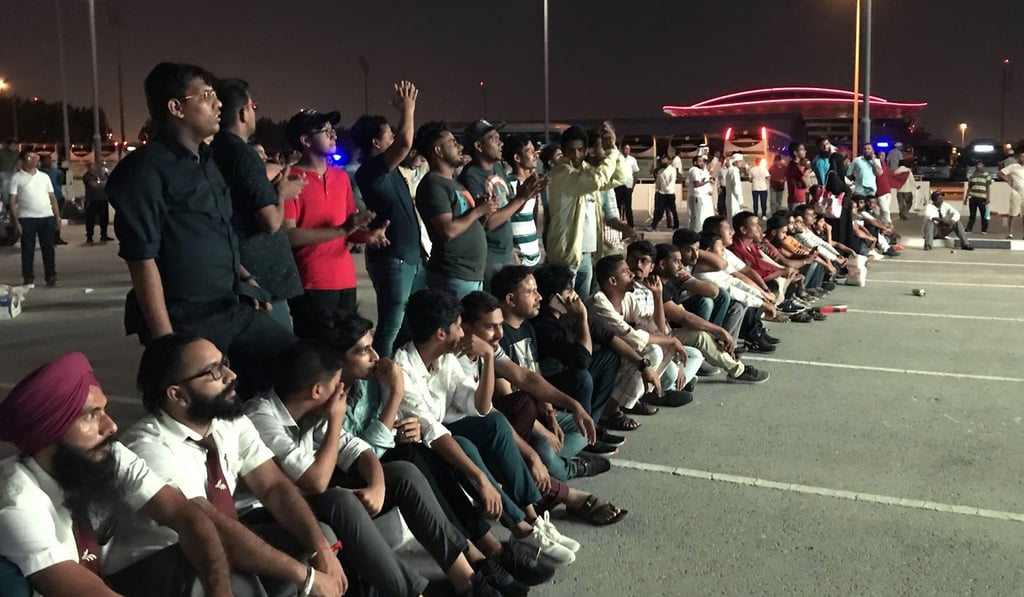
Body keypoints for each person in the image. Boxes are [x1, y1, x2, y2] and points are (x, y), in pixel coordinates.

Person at [315, 311, 559, 589]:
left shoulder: (370, 381)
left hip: (383, 458)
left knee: (432, 446)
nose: (374, 355)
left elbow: (414, 423)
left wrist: (407, 428)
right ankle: (480, 554)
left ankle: (485, 550)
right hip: (348, 480)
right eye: (363, 350)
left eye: (372, 346)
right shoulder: (330, 399)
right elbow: (357, 453)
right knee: (416, 455)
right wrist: (395, 394)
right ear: (337, 360)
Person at [244, 340, 505, 597]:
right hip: (261, 512)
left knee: (403, 473)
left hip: (299, 498)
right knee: (339, 499)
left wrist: (377, 486)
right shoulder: (262, 418)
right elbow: (315, 482)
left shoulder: (311, 410)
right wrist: (336, 419)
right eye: (336, 385)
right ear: (316, 391)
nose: (341, 391)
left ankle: (466, 581)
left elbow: (358, 449)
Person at [106, 62, 295, 397]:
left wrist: (247, 281)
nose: (218, 103)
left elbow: (216, 233)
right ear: (176, 107)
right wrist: (167, 344)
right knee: (205, 407)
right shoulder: (144, 172)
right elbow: (141, 260)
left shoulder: (207, 161)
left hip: (230, 305)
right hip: (186, 319)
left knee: (300, 365)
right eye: (207, 96)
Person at [110, 333, 349, 597]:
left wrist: (321, 550)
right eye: (213, 372)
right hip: (159, 562)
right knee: (241, 580)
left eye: (224, 362)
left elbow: (273, 487)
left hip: (214, 541)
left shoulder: (227, 421)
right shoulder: (149, 448)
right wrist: (306, 578)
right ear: (178, 395)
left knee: (318, 539)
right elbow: (208, 528)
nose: (231, 374)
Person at [0, 353, 237, 597]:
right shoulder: (16, 505)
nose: (111, 426)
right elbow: (82, 590)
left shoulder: (103, 452)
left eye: (104, 410)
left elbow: (186, 515)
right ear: (48, 435)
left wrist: (220, 591)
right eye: (91, 416)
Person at [393, 289, 579, 565]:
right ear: (441, 333)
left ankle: (531, 519)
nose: (463, 331)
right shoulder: (403, 368)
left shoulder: (444, 358)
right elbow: (432, 432)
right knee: (467, 446)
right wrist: (480, 479)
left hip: (444, 430)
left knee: (494, 422)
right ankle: (520, 528)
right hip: (421, 445)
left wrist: (489, 358)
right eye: (458, 325)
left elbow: (479, 407)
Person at [283, 108, 388, 338]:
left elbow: (349, 228)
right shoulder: (289, 179)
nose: (334, 136)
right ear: (305, 140)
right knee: (316, 352)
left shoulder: (340, 177)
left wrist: (367, 235)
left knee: (345, 351)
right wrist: (343, 229)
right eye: (326, 131)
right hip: (311, 283)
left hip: (345, 279)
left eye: (333, 131)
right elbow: (290, 235)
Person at [211, 78, 306, 332]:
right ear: (243, 112)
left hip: (237, 269)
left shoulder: (214, 150)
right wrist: (282, 193)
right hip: (261, 279)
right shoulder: (243, 155)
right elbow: (271, 222)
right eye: (254, 106)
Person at [351, 81, 428, 356]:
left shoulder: (390, 168)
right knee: (389, 329)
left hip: (409, 258)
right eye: (388, 134)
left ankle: (399, 378)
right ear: (375, 142)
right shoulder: (370, 170)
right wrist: (408, 109)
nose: (393, 137)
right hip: (393, 260)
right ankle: (378, 386)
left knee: (409, 327)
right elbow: (406, 143)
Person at [415, 122, 498, 298]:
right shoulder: (433, 185)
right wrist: (477, 211)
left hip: (469, 274)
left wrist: (483, 212)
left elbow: (469, 225)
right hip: (453, 276)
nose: (460, 147)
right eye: (453, 143)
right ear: (438, 151)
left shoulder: (455, 183)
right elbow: (448, 231)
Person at [545, 123, 630, 297]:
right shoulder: (562, 173)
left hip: (587, 253)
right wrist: (611, 153)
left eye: (580, 150)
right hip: (566, 254)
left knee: (582, 305)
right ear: (563, 151)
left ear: (585, 151)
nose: (576, 155)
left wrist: (612, 147)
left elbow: (621, 177)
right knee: (563, 306)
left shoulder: (585, 171)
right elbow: (597, 180)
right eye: (571, 150)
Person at [458, 120, 544, 289]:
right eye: (494, 139)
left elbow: (510, 209)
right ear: (479, 146)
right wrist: (520, 199)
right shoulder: (471, 176)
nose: (500, 143)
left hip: (507, 253)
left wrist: (526, 194)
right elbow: (488, 222)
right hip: (490, 257)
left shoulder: (497, 168)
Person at [8, 150, 61, 286]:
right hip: (27, 218)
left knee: (48, 248)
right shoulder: (17, 178)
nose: (34, 160)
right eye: (30, 157)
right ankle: (28, 277)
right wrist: (16, 222)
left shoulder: (44, 177)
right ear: (23, 160)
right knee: (27, 249)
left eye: (35, 157)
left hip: (46, 216)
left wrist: (57, 217)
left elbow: (52, 197)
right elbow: (12, 201)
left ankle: (50, 275)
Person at [503, 134, 544, 268]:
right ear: (517, 158)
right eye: (530, 151)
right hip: (518, 260)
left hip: (534, 256)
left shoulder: (531, 185)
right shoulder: (508, 184)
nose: (535, 155)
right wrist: (514, 256)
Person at [38, 154, 67, 245]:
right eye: (47, 161)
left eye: (50, 161)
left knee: (57, 218)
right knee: (47, 219)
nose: (49, 162)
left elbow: (61, 180)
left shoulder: (56, 172)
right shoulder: (38, 172)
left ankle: (56, 237)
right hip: (44, 198)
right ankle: (48, 237)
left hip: (57, 196)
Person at [82, 162, 113, 244]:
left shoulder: (102, 175)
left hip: (102, 199)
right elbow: (93, 185)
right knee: (90, 219)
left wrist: (103, 182)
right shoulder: (87, 176)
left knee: (104, 218)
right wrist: (104, 183)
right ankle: (89, 236)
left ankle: (104, 235)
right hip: (92, 200)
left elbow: (109, 183)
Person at [998, 149, 1024, 239]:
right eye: (1022, 156)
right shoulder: (1013, 166)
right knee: (1013, 214)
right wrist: (1008, 180)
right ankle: (1010, 233)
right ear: (1018, 158)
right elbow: (1001, 173)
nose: (1023, 158)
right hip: (1016, 193)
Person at [687, 154, 716, 231]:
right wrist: (707, 181)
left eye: (703, 161)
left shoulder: (702, 170)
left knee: (701, 216)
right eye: (700, 161)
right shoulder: (694, 170)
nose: (702, 163)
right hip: (697, 196)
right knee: (697, 217)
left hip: (703, 197)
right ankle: (696, 234)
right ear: (695, 163)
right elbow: (697, 184)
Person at [614, 144, 640, 227]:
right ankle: (617, 224)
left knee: (628, 207)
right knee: (617, 206)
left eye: (628, 149)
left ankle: (631, 225)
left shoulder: (632, 160)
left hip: (628, 186)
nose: (627, 150)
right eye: (625, 148)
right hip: (618, 185)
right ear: (622, 149)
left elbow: (636, 173)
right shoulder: (618, 158)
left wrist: (633, 186)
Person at [964, 160, 993, 233]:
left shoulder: (986, 175)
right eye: (977, 165)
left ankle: (984, 229)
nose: (978, 166)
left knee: (984, 214)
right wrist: (966, 198)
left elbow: (988, 187)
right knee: (972, 214)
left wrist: (988, 198)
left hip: (982, 197)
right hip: (973, 197)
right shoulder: (972, 176)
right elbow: (969, 187)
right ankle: (969, 228)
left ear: (983, 166)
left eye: (980, 165)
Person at [649, 155, 677, 230]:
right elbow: (658, 181)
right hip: (662, 194)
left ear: (668, 161)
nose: (663, 161)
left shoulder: (672, 170)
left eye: (665, 160)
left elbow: (672, 181)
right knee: (658, 210)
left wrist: (667, 189)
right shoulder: (660, 171)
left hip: (670, 193)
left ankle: (676, 225)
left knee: (672, 210)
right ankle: (653, 225)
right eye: (662, 160)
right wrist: (658, 189)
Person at [723, 152, 745, 220]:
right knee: (736, 219)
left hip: (730, 199)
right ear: (735, 162)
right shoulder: (735, 171)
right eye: (740, 161)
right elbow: (736, 188)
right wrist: (740, 202)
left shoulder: (730, 170)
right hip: (735, 201)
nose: (741, 163)